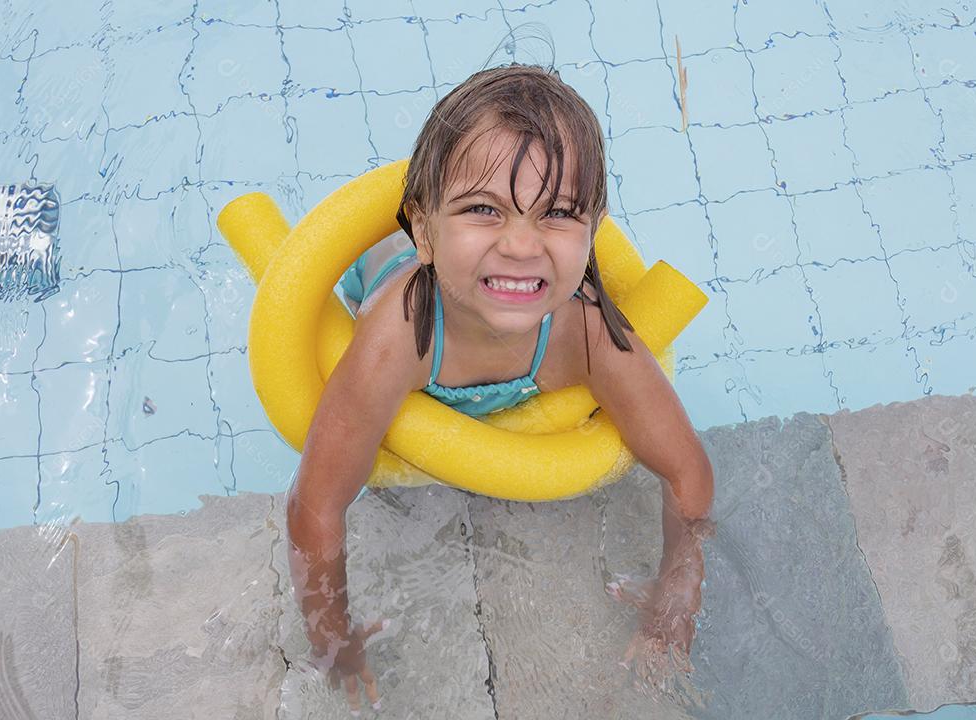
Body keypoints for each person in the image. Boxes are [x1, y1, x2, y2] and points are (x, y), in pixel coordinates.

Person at [285, 62, 716, 714]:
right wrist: (331, 638)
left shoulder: (584, 336)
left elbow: (687, 474)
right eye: (484, 209)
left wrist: (674, 598)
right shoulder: (397, 338)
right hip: (386, 274)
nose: (521, 244)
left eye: (558, 213)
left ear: (592, 230)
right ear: (424, 230)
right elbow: (316, 506)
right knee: (375, 264)